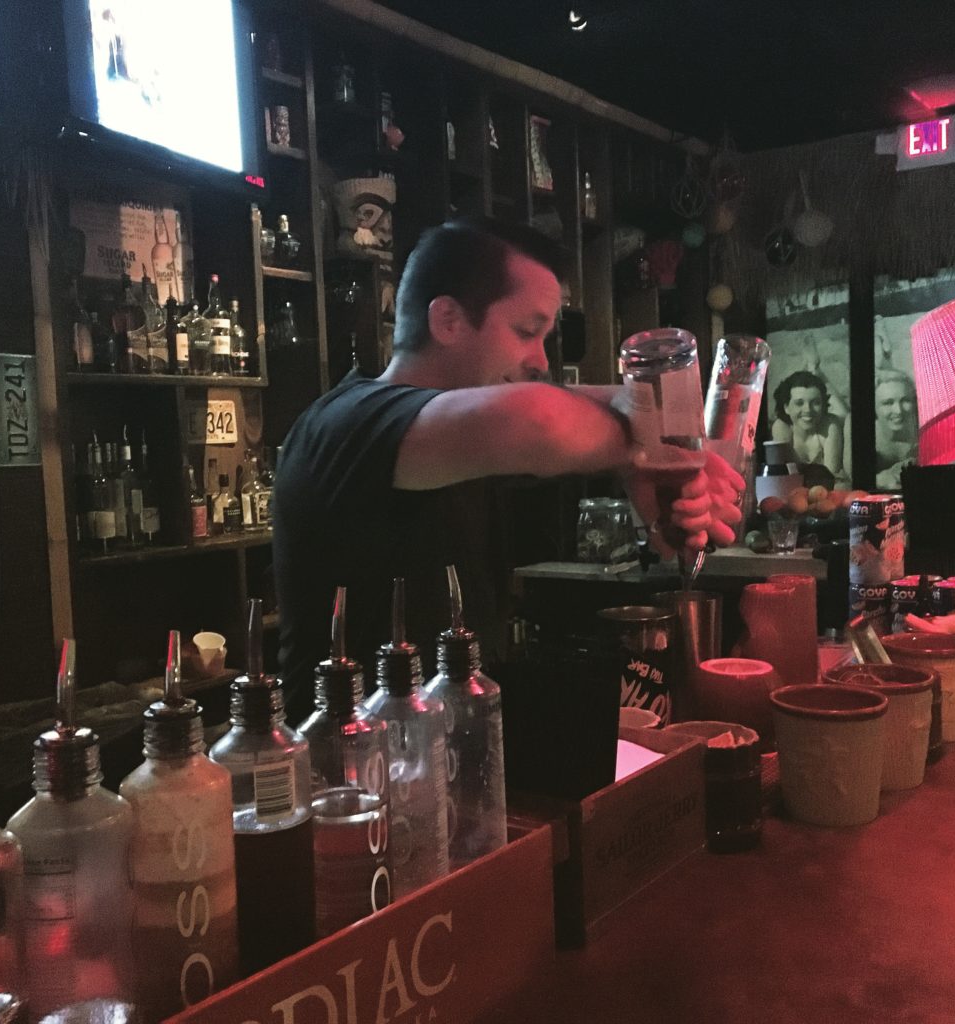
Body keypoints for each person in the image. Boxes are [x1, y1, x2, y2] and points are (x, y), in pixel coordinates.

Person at [273, 217, 742, 720]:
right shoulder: (350, 422)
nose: (540, 360)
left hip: (440, 760)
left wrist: (657, 445)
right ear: (448, 320)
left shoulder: (465, 435)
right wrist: (660, 442)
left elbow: (554, 407)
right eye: (526, 331)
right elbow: (543, 421)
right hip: (341, 780)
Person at [770, 369, 849, 487]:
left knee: (845, 415)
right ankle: (814, 368)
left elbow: (830, 478)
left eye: (816, 403)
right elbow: (784, 478)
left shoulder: (830, 426)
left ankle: (815, 370)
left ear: (823, 405)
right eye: (799, 403)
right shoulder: (781, 427)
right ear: (786, 407)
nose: (808, 409)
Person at [874, 368, 918, 490]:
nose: (898, 411)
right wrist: (878, 480)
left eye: (905, 401)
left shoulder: (926, 429)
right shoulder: (865, 434)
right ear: (874, 407)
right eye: (888, 403)